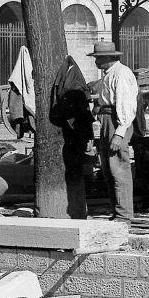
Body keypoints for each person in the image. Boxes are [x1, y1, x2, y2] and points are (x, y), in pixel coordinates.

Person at [91, 40, 137, 222]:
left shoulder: (121, 74)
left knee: (118, 167)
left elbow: (126, 106)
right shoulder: (109, 74)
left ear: (108, 58)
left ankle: (124, 215)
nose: (96, 62)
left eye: (98, 59)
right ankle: (117, 212)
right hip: (106, 120)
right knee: (108, 168)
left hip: (116, 122)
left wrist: (119, 133)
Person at [49, 55, 94, 219]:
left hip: (74, 139)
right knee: (76, 173)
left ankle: (77, 210)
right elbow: (87, 118)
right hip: (79, 138)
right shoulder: (79, 94)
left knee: (74, 173)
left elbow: (75, 118)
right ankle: (79, 210)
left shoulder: (71, 96)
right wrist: (89, 138)